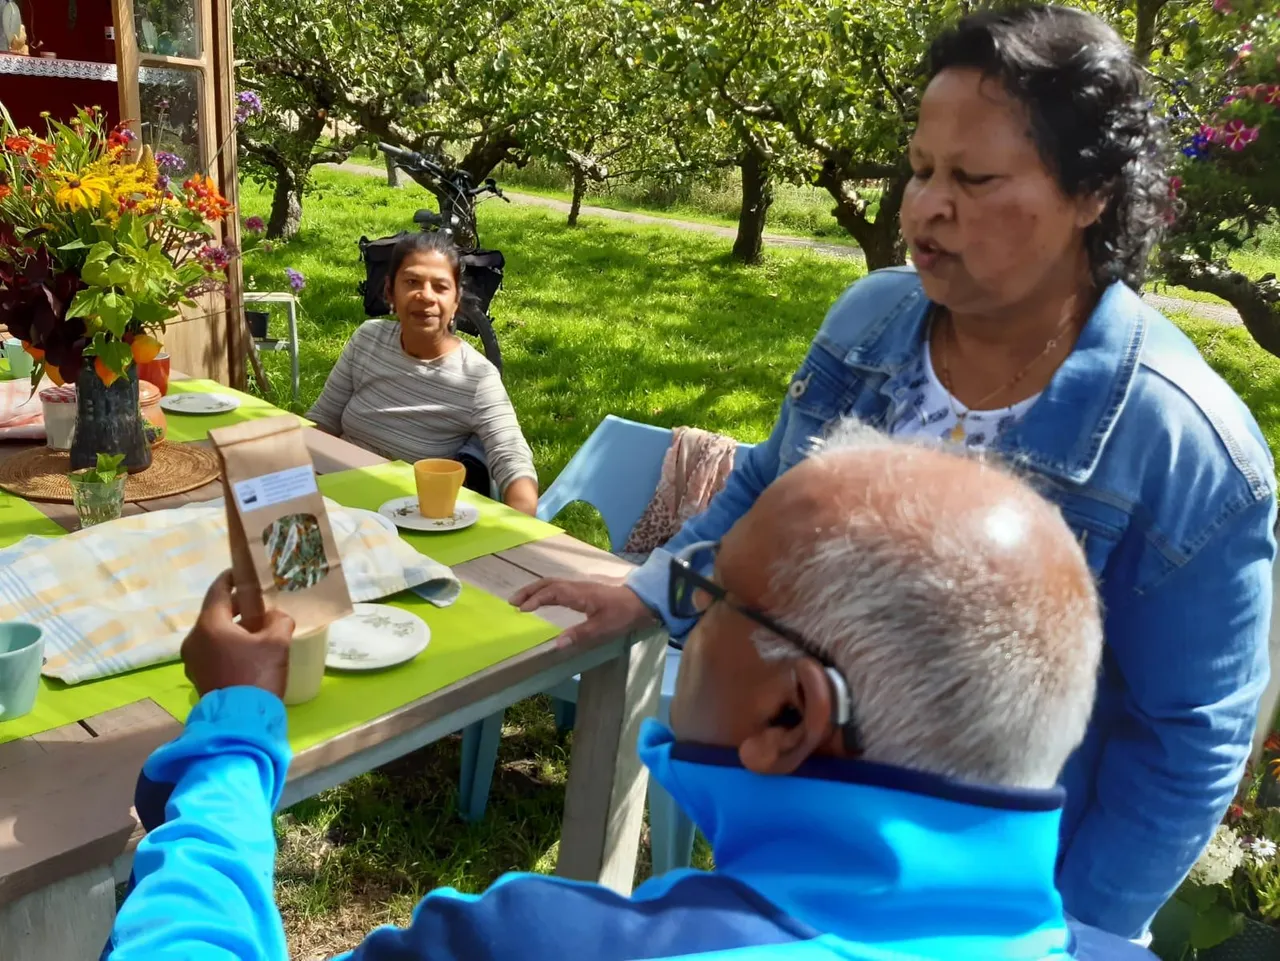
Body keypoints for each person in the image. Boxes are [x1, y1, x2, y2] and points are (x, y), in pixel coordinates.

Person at [513, 4, 1277, 940]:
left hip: (996, 912)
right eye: (919, 170)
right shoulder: (871, 325)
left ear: (1093, 194)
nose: (925, 207)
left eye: (974, 177)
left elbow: (1186, 744)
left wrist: (1069, 934)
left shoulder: (1182, 441)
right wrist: (649, 594)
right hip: (800, 843)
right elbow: (764, 492)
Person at [104, 424, 1153, 960]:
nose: (682, 616)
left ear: (789, 714)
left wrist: (235, 740)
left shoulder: (539, 947)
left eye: (706, 591)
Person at [307, 231, 539, 515]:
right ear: (390, 291)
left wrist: (521, 523)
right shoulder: (368, 340)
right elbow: (321, 422)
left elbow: (512, 459)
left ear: (456, 301)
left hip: (405, 515)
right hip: (332, 491)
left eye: (440, 287)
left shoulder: (476, 377)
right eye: (412, 282)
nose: (425, 296)